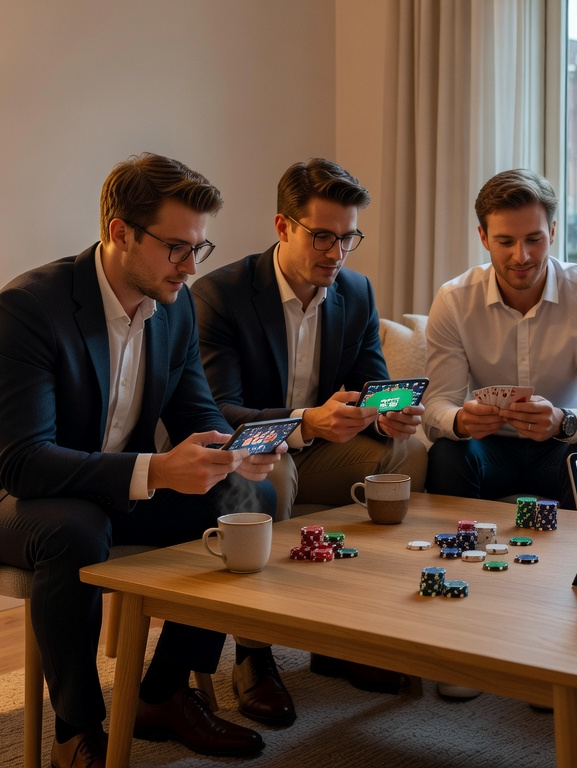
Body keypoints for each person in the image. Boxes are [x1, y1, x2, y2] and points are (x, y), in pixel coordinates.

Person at [0, 154, 281, 768]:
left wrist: (233, 454)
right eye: (175, 247)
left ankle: (162, 694)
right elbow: (26, 464)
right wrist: (157, 471)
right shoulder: (28, 309)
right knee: (73, 528)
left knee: (249, 501)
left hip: (109, 488)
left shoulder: (175, 305)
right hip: (5, 499)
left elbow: (197, 410)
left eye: (199, 247)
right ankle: (76, 731)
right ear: (120, 233)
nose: (191, 267)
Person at [191, 158, 422, 726]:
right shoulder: (221, 294)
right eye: (322, 236)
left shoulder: (356, 292)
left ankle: (344, 636)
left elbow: (371, 383)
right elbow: (220, 410)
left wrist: (387, 413)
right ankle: (254, 652)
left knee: (407, 454)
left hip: (322, 446)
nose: (335, 253)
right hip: (248, 453)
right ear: (283, 227)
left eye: (348, 238)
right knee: (272, 472)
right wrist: (304, 422)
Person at [422, 169, 577, 506]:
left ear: (553, 232)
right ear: (484, 238)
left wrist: (565, 421)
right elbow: (437, 404)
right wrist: (460, 420)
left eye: (534, 239)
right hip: (487, 449)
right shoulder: (454, 299)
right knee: (447, 452)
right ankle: (456, 556)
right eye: (505, 241)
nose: (522, 256)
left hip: (562, 445)